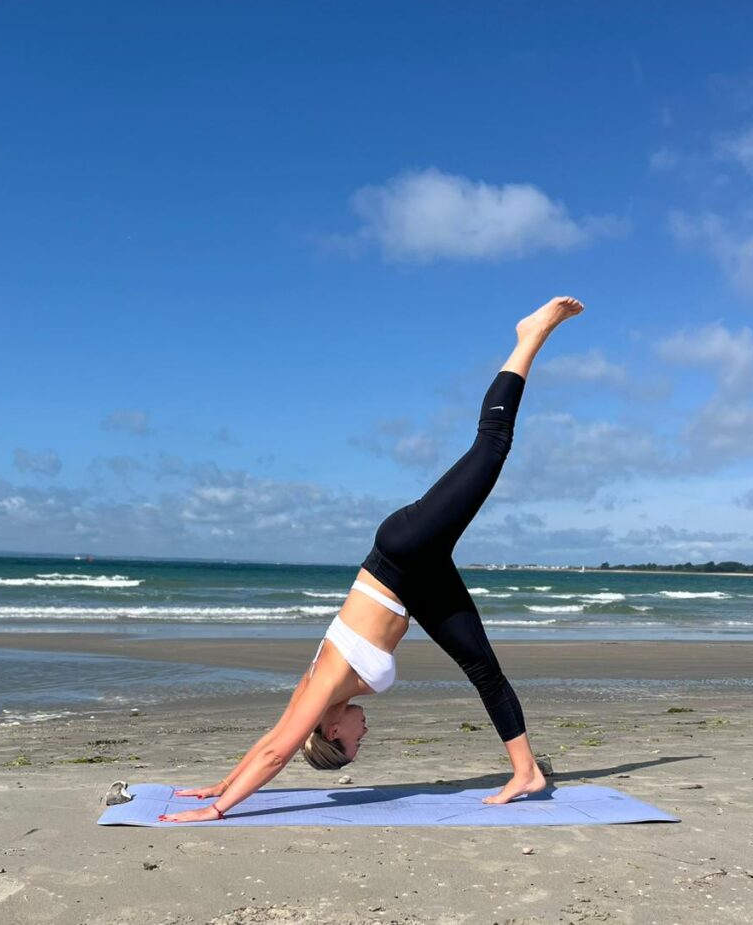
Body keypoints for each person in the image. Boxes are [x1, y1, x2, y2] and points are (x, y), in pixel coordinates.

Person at [159, 295, 585, 823]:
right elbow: (271, 738)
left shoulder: (323, 690)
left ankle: (529, 337)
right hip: (415, 582)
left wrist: (219, 809)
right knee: (482, 668)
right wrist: (218, 783)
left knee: (491, 446)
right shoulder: (312, 694)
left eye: (356, 744)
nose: (366, 735)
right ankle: (526, 771)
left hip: (404, 553)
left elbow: (278, 751)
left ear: (333, 733)